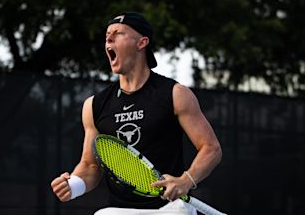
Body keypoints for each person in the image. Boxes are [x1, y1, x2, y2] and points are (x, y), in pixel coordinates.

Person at [51, 12, 223, 215]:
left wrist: (186, 180)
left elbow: (211, 148)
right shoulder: (94, 105)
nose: (109, 39)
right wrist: (73, 186)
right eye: (107, 35)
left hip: (170, 208)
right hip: (119, 210)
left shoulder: (175, 94)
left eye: (118, 33)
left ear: (141, 42)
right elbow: (90, 166)